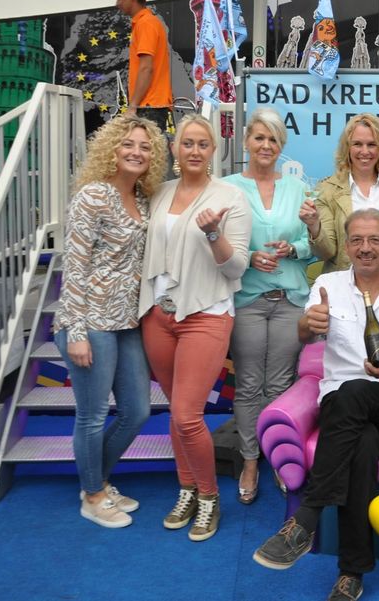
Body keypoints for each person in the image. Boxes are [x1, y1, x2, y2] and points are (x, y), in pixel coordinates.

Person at [252, 209, 379, 601]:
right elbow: (305, 334)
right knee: (361, 446)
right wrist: (309, 324)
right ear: (347, 245)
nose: (365, 248)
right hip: (340, 402)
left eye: (375, 239)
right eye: (356, 240)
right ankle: (352, 573)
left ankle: (305, 516)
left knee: (356, 393)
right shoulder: (327, 284)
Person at [138, 114, 251, 542]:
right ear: (174, 148)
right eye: (188, 143)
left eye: (203, 144)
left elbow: (236, 265)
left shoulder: (229, 196)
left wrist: (213, 233)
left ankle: (208, 497)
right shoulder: (160, 193)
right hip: (159, 316)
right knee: (176, 411)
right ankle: (186, 488)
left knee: (188, 416)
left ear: (214, 150)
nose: (195, 150)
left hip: (206, 313)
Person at [52, 115, 167, 529]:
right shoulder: (93, 196)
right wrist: (77, 332)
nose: (137, 152)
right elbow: (76, 266)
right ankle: (94, 494)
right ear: (111, 151)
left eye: (145, 146)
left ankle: (95, 480)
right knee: (93, 414)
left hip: (126, 322)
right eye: (128, 145)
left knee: (136, 410)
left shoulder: (144, 198)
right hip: (89, 322)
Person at [222, 107, 311, 505]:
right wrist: (250, 255)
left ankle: (277, 456)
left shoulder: (299, 189)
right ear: (246, 141)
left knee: (280, 385)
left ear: (282, 147)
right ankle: (250, 460)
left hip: (291, 298)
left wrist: (294, 247)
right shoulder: (226, 188)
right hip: (248, 299)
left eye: (273, 139)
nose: (265, 145)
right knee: (248, 385)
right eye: (259, 137)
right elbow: (219, 246)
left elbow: (314, 248)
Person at [303, 114, 379, 272]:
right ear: (347, 148)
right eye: (357, 144)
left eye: (372, 144)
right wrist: (314, 226)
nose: (364, 151)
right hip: (347, 280)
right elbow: (325, 253)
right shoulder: (327, 190)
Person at [114, 0, 173, 135]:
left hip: (149, 105)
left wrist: (132, 106)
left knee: (150, 156)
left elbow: (146, 68)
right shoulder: (145, 22)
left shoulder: (146, 23)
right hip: (149, 104)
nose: (117, 3)